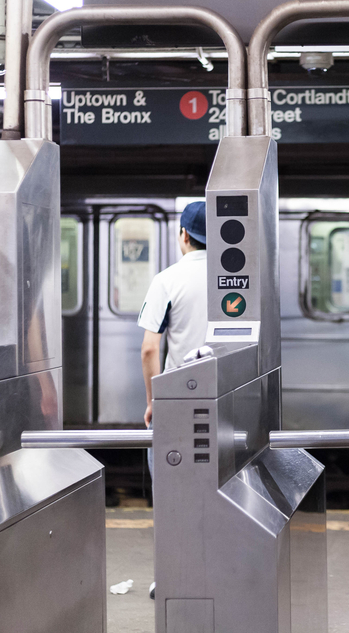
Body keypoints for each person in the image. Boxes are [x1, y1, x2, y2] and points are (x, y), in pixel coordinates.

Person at [136, 200, 209, 600]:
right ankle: (218, 570)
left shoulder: (168, 279)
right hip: (225, 398)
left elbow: (150, 349)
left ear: (184, 235)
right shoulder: (234, 278)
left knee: (172, 495)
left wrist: (152, 400)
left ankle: (173, 577)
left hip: (179, 402)